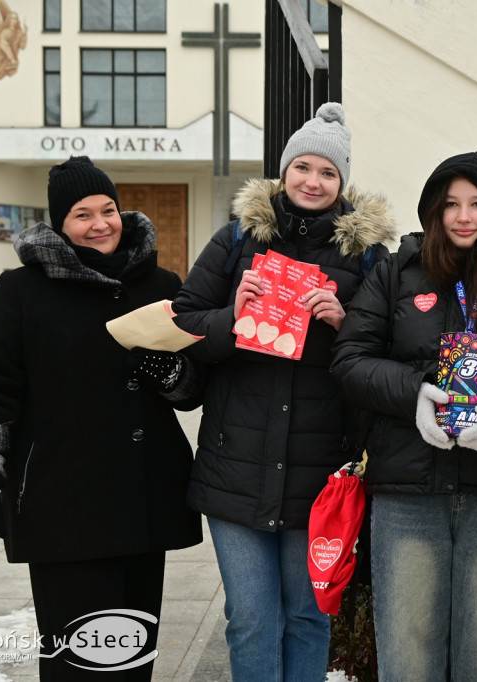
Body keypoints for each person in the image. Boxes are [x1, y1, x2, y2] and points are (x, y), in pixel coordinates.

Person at [169, 102, 395, 682]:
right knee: (250, 618)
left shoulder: (368, 258)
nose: (312, 182)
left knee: (307, 615)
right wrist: (230, 316)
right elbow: (183, 321)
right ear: (284, 171)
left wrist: (346, 323)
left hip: (319, 473)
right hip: (234, 468)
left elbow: (391, 351)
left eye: (327, 173)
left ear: (342, 184)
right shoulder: (236, 240)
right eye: (303, 168)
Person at [0, 156, 203, 680]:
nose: (100, 224)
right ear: (60, 225)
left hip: (143, 504)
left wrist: (172, 373)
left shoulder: (161, 283)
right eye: (82, 214)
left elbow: (193, 390)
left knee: (132, 658)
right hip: (62, 507)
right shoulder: (20, 291)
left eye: (108, 209)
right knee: (81, 664)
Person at [331, 151, 477, 681]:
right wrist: (414, 393)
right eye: (450, 204)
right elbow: (349, 361)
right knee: (407, 658)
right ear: (433, 212)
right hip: (407, 494)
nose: (464, 216)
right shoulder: (396, 276)